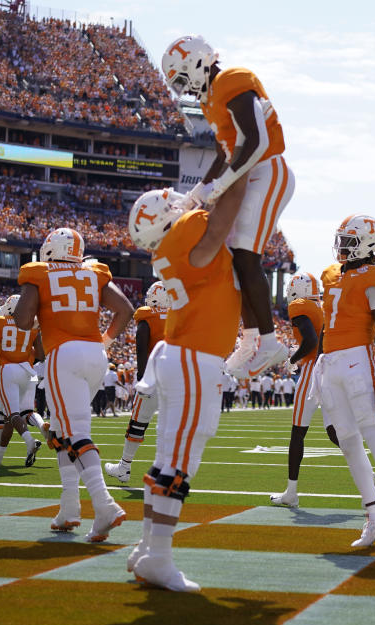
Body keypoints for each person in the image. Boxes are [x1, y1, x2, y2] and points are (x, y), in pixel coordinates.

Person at [125, 179, 244, 591]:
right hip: (195, 358)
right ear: (166, 219)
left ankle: (146, 549)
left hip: (183, 355)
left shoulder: (169, 247)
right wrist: (239, 172)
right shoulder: (186, 231)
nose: (182, 202)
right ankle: (158, 557)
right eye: (173, 203)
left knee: (164, 459)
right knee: (179, 464)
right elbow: (222, 220)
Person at [162, 35, 291, 379]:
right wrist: (197, 191)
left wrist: (221, 184)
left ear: (196, 63)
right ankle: (251, 340)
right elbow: (225, 151)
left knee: (246, 256)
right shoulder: (211, 97)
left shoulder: (230, 80)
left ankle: (269, 341)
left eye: (181, 78)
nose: (184, 89)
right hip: (249, 172)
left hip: (267, 169)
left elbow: (257, 140)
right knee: (235, 260)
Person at [13, 227, 133, 542]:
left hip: (63, 355)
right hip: (95, 355)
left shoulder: (38, 273)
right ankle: (69, 508)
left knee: (75, 432)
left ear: (49, 249)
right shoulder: (93, 271)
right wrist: (104, 341)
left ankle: (104, 505)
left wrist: (41, 309)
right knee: (61, 431)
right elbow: (125, 310)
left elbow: (21, 320)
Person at [318, 215, 375, 548]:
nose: (342, 246)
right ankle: (374, 515)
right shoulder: (331, 274)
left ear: (369, 244)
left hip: (358, 360)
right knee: (347, 440)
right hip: (332, 362)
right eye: (341, 239)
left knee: (374, 438)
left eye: (349, 241)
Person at [270, 272, 341, 508]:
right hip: (329, 370)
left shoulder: (300, 306)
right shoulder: (320, 307)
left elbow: (310, 342)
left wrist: (293, 359)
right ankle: (364, 470)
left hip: (312, 370)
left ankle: (291, 493)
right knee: (333, 431)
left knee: (297, 433)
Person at [105, 281, 170, 483]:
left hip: (154, 378)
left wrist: (142, 379)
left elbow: (142, 346)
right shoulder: (179, 316)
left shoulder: (147, 315)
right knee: (171, 427)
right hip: (175, 379)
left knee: (138, 424)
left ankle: (124, 467)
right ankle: (170, 471)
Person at [0, 294, 45, 468]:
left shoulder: (0, 322)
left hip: (8, 369)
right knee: (24, 412)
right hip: (29, 371)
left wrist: (0, 345)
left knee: (10, 414)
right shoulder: (33, 325)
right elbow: (40, 355)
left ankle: (29, 440)